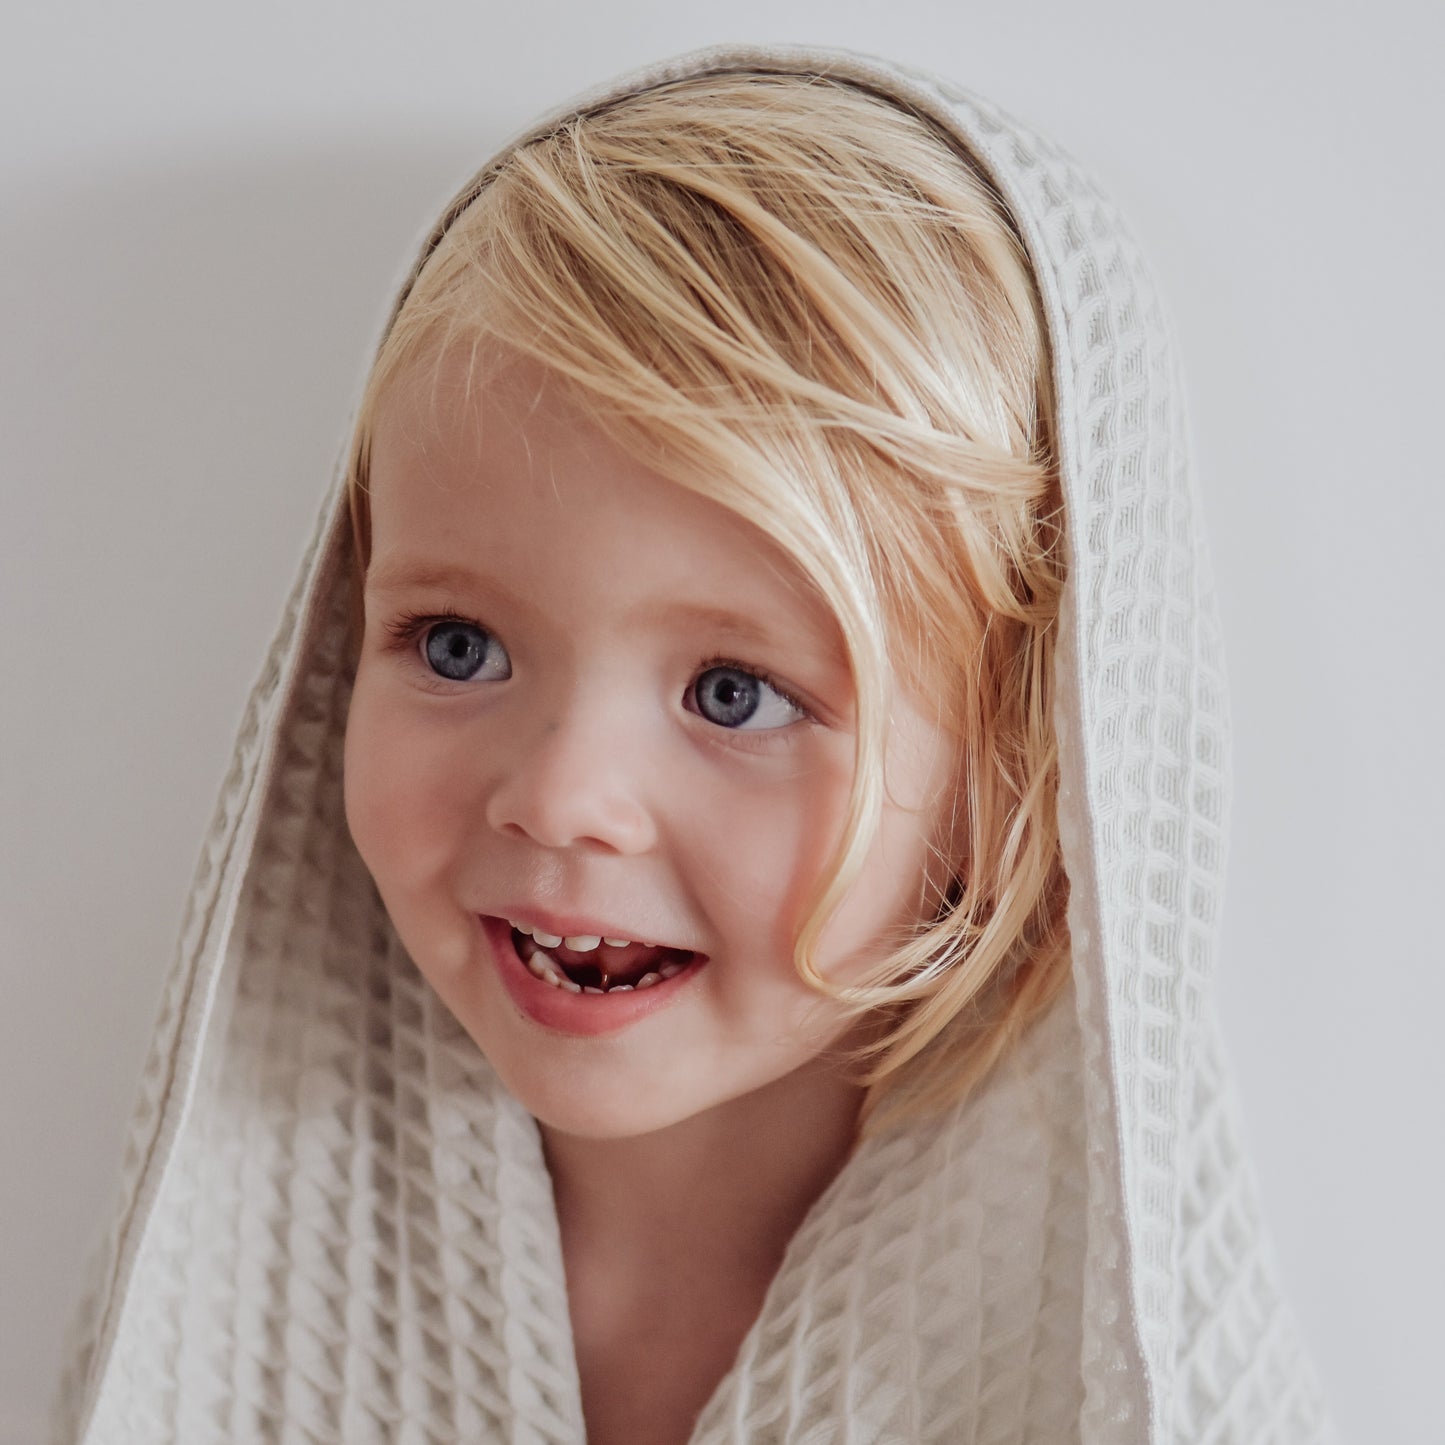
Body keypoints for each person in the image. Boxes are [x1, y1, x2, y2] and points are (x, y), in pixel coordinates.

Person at [53, 46, 1333, 1445]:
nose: (559, 799)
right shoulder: (224, 1284)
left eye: (735, 693)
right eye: (457, 644)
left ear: (1016, 765)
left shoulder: (1104, 1371)